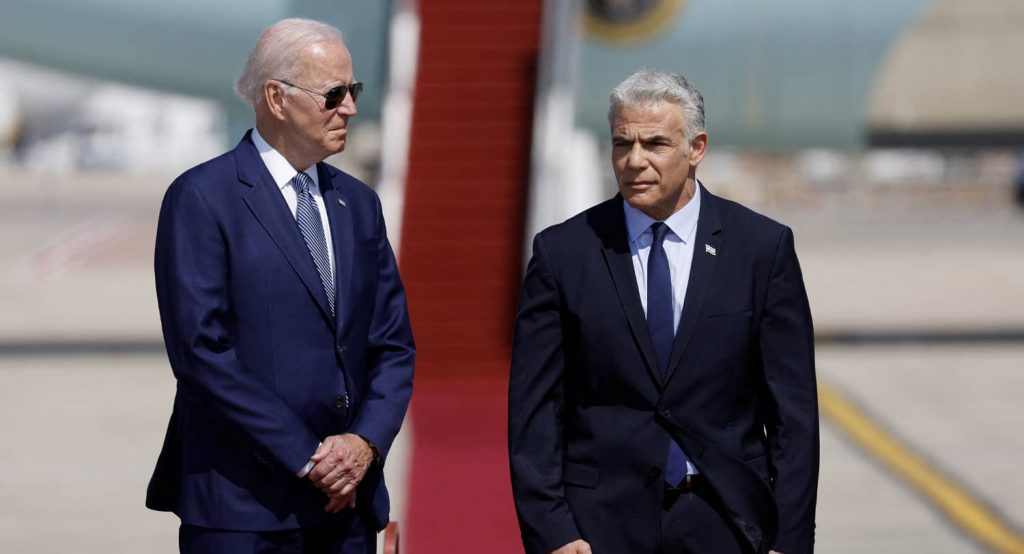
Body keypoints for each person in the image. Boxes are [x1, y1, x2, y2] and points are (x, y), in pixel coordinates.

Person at [508, 70, 818, 554]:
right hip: (600, 528)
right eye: (621, 144)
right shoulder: (563, 254)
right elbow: (535, 410)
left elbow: (793, 415)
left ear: (697, 148)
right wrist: (554, 532)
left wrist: (789, 539)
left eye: (654, 144)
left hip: (729, 525)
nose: (635, 162)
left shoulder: (761, 249)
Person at [145, 18, 415, 554]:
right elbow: (201, 353)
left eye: (353, 91)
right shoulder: (202, 199)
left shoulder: (358, 205)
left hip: (346, 509)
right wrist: (310, 458)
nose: (351, 108)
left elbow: (393, 345)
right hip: (244, 513)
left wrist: (363, 446)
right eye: (334, 93)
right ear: (277, 97)